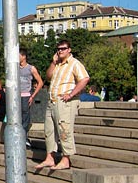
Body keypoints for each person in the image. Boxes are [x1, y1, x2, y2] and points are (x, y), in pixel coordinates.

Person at [35, 40, 90, 171]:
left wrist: (71, 94)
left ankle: (66, 159)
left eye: (63, 48)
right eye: (58, 49)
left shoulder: (74, 63)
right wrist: (53, 63)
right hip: (52, 100)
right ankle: (50, 157)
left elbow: (85, 78)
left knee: (64, 129)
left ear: (69, 49)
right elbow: (48, 76)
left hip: (65, 102)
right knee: (49, 130)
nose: (60, 51)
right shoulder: (58, 64)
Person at [19, 48, 44, 148]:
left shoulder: (31, 68)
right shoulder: (15, 67)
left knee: (25, 118)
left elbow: (40, 82)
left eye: (18, 56)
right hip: (16, 97)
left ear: (24, 56)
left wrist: (33, 95)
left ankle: (24, 138)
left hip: (26, 96)